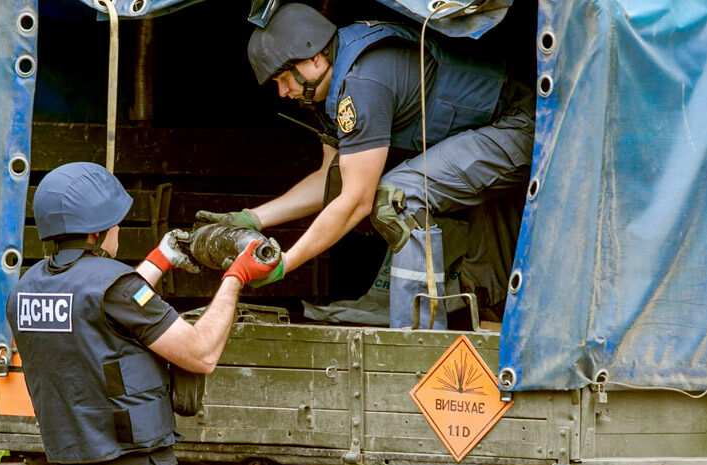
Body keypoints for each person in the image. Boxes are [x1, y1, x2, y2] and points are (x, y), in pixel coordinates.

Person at [198, 3, 534, 329]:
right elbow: (331, 181)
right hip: (491, 130)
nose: (284, 92)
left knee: (398, 196)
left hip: (521, 125)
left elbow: (356, 200)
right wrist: (252, 218)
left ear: (315, 58)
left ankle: (415, 338)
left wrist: (286, 263)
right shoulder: (334, 78)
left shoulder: (362, 82)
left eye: (285, 78)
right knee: (399, 191)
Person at [5, 162, 278, 465]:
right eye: (116, 222)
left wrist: (158, 260)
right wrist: (236, 277)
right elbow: (201, 354)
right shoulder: (114, 287)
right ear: (98, 231)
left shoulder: (25, 292)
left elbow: (96, 310)